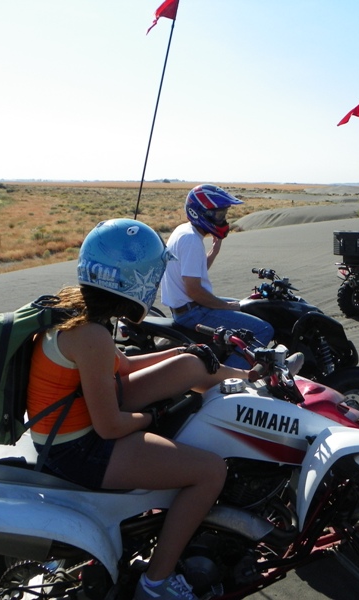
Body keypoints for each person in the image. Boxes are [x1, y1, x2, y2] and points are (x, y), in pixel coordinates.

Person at [27, 218, 255, 600]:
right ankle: (155, 585)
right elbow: (111, 427)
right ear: (136, 279)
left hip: (77, 429)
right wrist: (159, 415)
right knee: (210, 471)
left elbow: (127, 367)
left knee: (188, 365)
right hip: (78, 450)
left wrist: (186, 352)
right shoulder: (91, 336)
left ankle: (251, 377)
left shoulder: (77, 315)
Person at [161, 184, 273, 368]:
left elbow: (195, 272)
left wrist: (214, 250)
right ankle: (234, 378)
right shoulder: (191, 240)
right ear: (200, 213)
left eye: (224, 214)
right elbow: (194, 290)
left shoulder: (185, 231)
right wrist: (226, 306)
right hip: (193, 312)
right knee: (263, 329)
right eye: (219, 214)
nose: (223, 219)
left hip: (188, 307)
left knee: (248, 306)